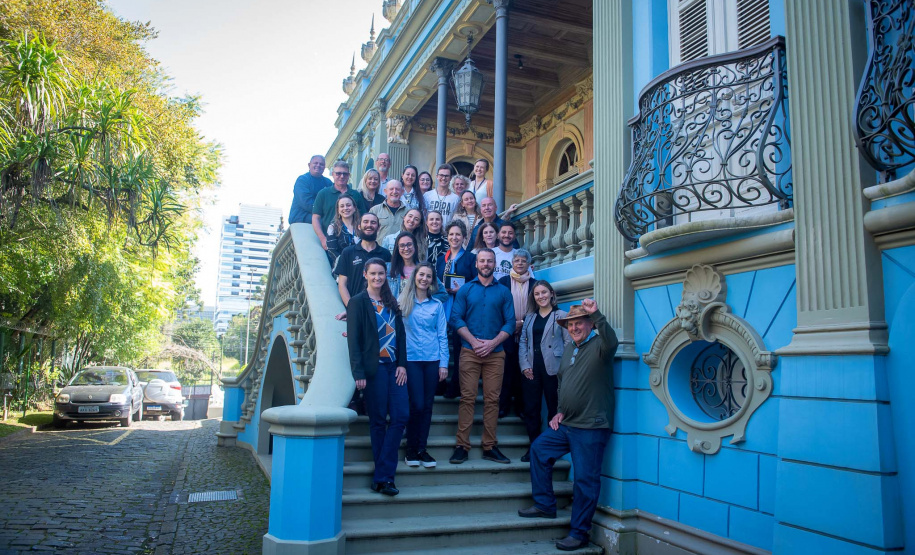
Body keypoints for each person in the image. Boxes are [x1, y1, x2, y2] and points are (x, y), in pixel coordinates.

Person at [518, 298, 619, 552]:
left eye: (579, 323)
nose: (574, 328)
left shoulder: (600, 346)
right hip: (568, 423)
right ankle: (545, 504)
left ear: (589, 324)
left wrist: (597, 314)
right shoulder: (571, 350)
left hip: (592, 426)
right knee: (539, 450)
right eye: (570, 324)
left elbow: (612, 340)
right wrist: (560, 411)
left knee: (585, 480)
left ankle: (580, 533)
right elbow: (563, 383)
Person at [346, 258, 408, 497]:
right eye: (373, 273)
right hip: (374, 369)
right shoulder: (357, 302)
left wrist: (402, 364)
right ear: (365, 274)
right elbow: (354, 342)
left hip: (395, 368)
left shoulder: (392, 301)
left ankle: (381, 474)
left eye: (381, 273)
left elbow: (401, 337)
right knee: (379, 420)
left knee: (401, 416)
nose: (377, 278)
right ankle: (384, 478)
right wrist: (358, 372)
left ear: (385, 276)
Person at [448, 248, 515, 465]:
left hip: (495, 353)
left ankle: (489, 446)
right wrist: (476, 342)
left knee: (492, 400)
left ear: (495, 264)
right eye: (482, 261)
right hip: (469, 350)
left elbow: (510, 323)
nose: (486, 264)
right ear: (476, 264)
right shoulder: (465, 289)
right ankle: (462, 446)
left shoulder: (504, 292)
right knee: (467, 398)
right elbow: (456, 319)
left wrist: (493, 343)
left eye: (489, 261)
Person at [398, 261, 449, 469]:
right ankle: (410, 449)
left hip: (432, 359)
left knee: (427, 407)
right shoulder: (402, 303)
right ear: (415, 277)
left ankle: (421, 449)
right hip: (410, 360)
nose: (424, 279)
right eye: (421, 275)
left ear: (432, 281)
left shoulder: (436, 306)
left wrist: (444, 364)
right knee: (416, 405)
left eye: (428, 276)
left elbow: (442, 335)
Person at [517, 279, 569, 462]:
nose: (541, 296)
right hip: (532, 368)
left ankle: (550, 449)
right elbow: (523, 342)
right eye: (537, 294)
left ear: (552, 294)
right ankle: (534, 447)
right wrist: (525, 366)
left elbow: (569, 343)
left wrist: (564, 368)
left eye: (544, 292)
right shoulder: (530, 317)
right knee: (531, 409)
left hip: (553, 369)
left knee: (554, 408)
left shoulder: (561, 315)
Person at [435, 221, 477, 399]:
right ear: (447, 236)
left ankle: (456, 385)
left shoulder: (470, 258)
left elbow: (476, 283)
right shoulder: (440, 259)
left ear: (464, 237)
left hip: (462, 306)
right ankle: (439, 382)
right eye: (451, 234)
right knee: (439, 344)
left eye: (458, 234)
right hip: (442, 306)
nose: (454, 238)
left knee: (459, 348)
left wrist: (463, 289)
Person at [496, 249, 534, 422]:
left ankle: (521, 408)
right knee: (505, 372)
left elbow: (537, 307)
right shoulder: (503, 282)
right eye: (517, 260)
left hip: (527, 334)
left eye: (523, 261)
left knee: (523, 374)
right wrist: (513, 324)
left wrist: (523, 324)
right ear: (512, 262)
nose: (519, 263)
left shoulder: (535, 284)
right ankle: (502, 407)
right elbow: (499, 307)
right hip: (507, 332)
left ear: (528, 264)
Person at [333, 212, 391, 307]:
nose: (369, 225)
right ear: (359, 226)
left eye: (373, 222)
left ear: (378, 227)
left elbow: (388, 283)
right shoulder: (348, 252)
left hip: (379, 308)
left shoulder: (385, 254)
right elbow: (342, 284)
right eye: (365, 222)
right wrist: (351, 308)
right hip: (356, 306)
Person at [312, 161, 367, 249]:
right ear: (333, 174)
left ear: (349, 175)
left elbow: (363, 217)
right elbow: (315, 218)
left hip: (354, 243)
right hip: (331, 242)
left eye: (345, 174)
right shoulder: (323, 194)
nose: (342, 176)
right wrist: (323, 239)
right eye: (338, 173)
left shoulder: (356, 195)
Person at [387, 232, 447, 300]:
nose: (406, 248)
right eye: (402, 245)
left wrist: (425, 301)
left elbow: (442, 294)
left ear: (415, 246)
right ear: (397, 248)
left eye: (409, 244)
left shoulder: (424, 269)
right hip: (395, 309)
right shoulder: (388, 269)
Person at [289, 155, 331, 225]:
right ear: (309, 165)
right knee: (327, 223)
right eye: (315, 163)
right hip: (301, 217)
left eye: (321, 164)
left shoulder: (328, 183)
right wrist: (326, 211)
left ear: (324, 167)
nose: (318, 165)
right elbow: (306, 203)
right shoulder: (302, 180)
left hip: (320, 215)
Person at [325, 195, 360, 268]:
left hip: (361, 267)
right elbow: (332, 251)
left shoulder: (361, 226)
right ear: (338, 210)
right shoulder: (333, 228)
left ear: (354, 208)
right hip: (343, 268)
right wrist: (346, 263)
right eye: (342, 206)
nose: (345, 208)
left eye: (348, 205)